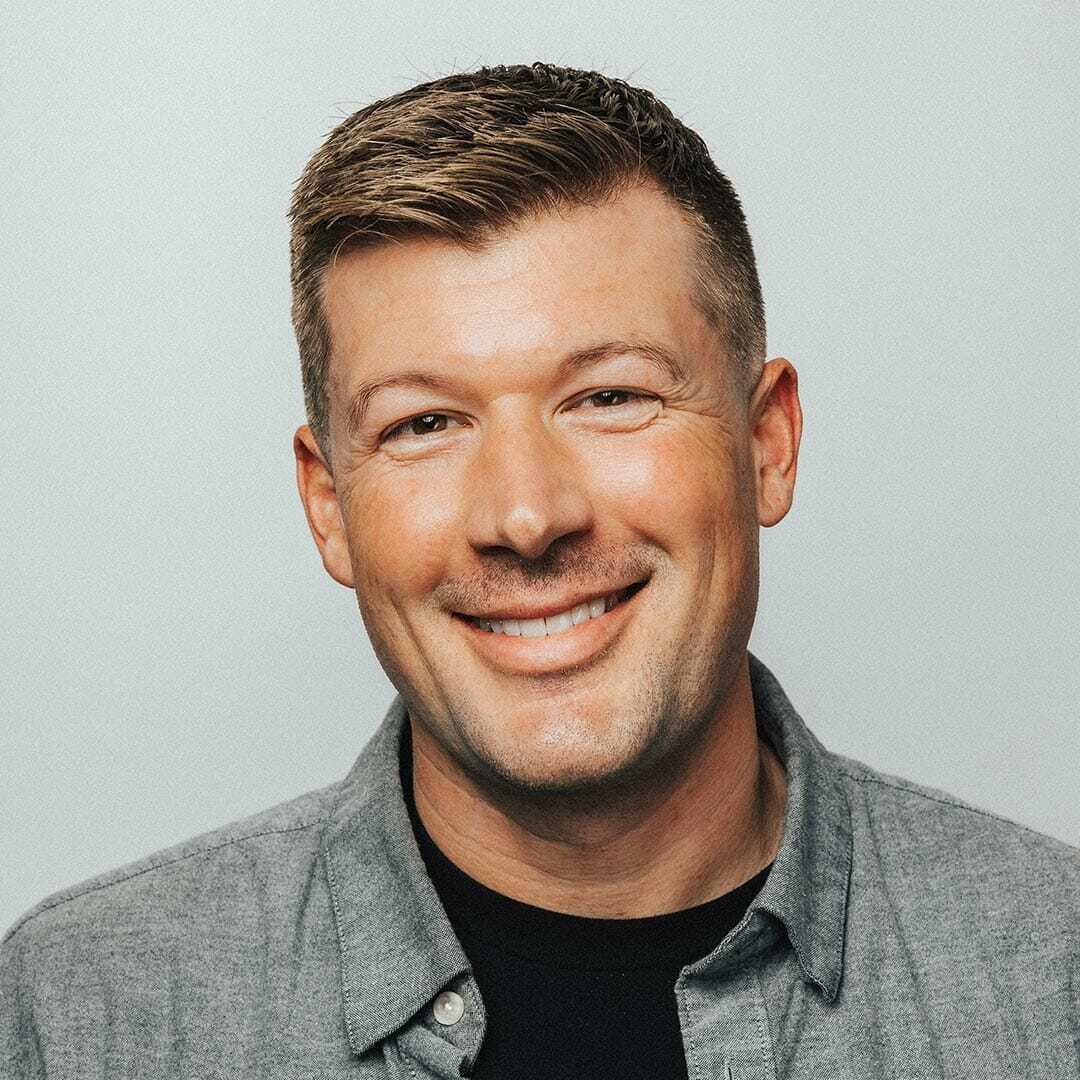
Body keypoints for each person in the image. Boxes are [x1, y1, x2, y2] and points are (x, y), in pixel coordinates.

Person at [2, 62, 1076, 1080]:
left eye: (610, 397)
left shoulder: (1053, 980)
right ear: (329, 508)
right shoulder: (86, 1017)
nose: (525, 517)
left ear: (768, 444)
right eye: (425, 423)